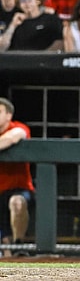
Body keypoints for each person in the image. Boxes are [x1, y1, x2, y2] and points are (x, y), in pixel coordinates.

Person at [0, 97, 35, 257]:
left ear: (8, 115)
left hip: (18, 188)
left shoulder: (18, 128)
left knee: (17, 202)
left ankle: (19, 245)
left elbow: (12, 137)